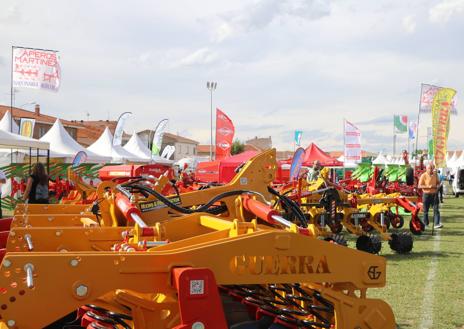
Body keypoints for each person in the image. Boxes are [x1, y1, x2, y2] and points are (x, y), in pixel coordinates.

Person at [418, 163, 442, 229]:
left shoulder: (435, 174)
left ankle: (437, 223)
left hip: (434, 194)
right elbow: (419, 186)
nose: (431, 170)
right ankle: (425, 224)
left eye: (431, 168)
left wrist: (438, 186)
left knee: (436, 209)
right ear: (426, 169)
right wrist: (428, 186)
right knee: (425, 211)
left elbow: (438, 183)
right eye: (429, 168)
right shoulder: (423, 175)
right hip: (426, 195)